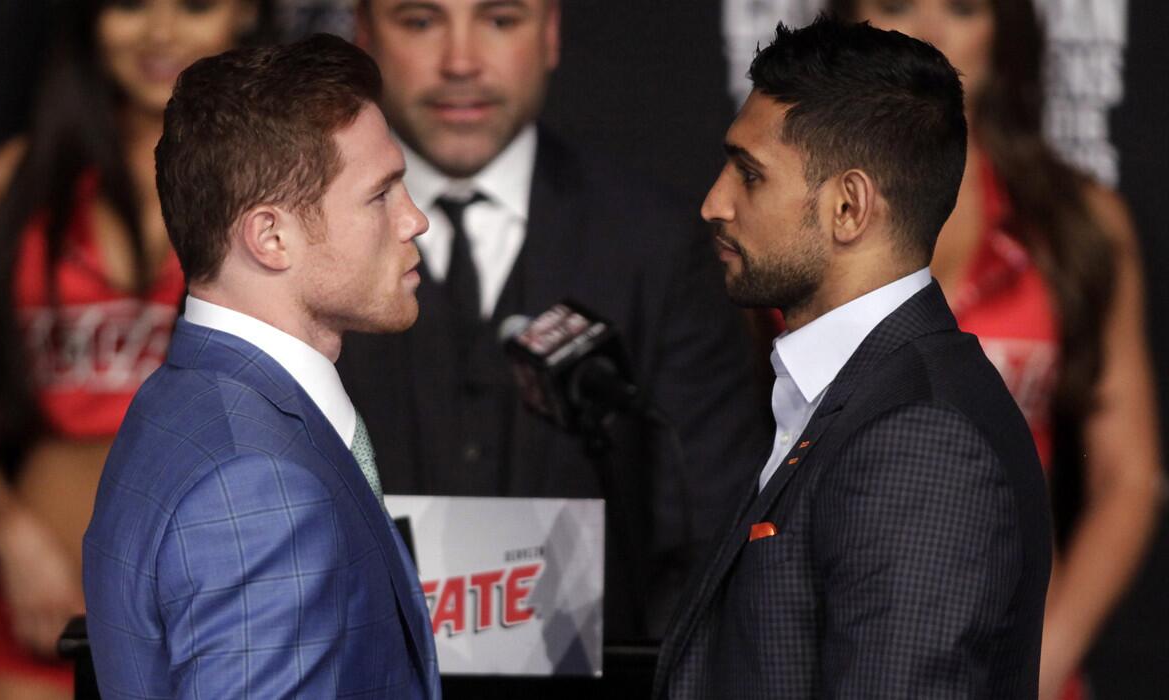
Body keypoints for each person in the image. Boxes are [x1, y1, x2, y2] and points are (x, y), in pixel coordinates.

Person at [655, 16, 1053, 698]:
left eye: (749, 175)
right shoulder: (855, 396)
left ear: (849, 207)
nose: (713, 202)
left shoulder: (919, 441)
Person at [345, 0, 768, 640]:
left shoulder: (654, 244)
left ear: (550, 35)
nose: (461, 63)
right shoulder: (301, 242)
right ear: (365, 36)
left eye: (500, 20)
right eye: (421, 21)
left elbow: (711, 527)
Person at [81, 34, 440, 697]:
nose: (415, 220)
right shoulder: (260, 487)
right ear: (271, 237)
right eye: (380, 195)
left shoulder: (177, 400)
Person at [830, 2, 1163, 698]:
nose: (930, 30)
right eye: (895, 4)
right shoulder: (784, 214)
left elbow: (1130, 477)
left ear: (1003, 31)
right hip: (835, 656)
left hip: (1021, 657)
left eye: (961, 6)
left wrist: (1045, 655)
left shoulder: (1078, 225)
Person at [0, 1, 268, 697]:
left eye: (194, 5)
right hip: (46, 608)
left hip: (226, 608)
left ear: (245, 12)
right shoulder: (7, 187)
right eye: (131, 4)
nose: (160, 33)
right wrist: (12, 537)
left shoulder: (280, 187)